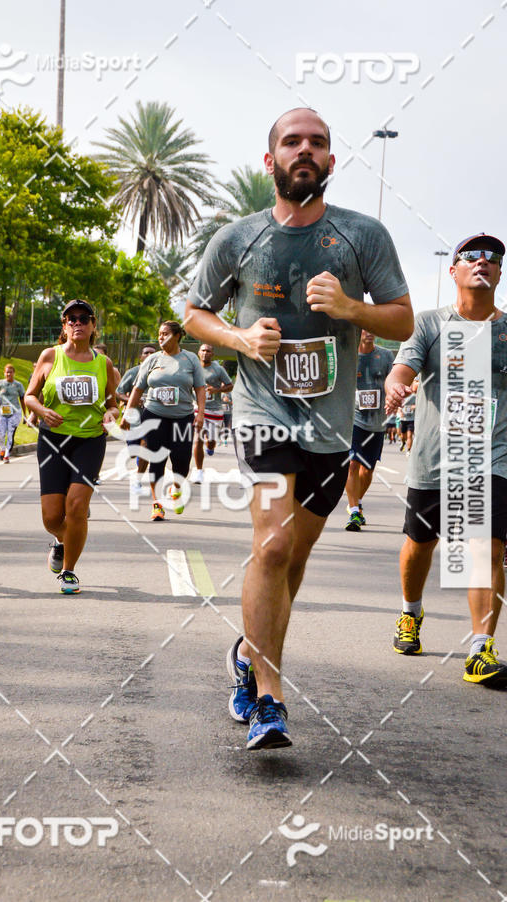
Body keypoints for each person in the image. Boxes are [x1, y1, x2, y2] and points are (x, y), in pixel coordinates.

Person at [185, 107, 412, 749]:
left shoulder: (363, 236)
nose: (304, 150)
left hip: (331, 429)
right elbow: (195, 313)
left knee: (293, 558)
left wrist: (350, 308)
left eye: (317, 143)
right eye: (291, 142)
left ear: (332, 162)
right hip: (263, 410)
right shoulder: (237, 238)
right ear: (270, 160)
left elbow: (402, 320)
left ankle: (247, 652)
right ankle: (269, 699)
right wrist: (237, 337)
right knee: (274, 544)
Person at [386, 232, 507, 687]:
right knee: (421, 544)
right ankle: (410, 613)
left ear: (499, 273)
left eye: (493, 257)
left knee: (486, 545)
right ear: (452, 269)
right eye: (471, 255)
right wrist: (395, 385)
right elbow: (404, 366)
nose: (483, 261)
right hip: (436, 458)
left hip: (492, 456)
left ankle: (480, 648)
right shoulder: (429, 323)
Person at [25, 300, 117, 593]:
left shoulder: (103, 363)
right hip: (53, 440)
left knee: (76, 507)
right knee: (52, 517)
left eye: (83, 318)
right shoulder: (49, 356)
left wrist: (111, 414)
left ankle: (68, 572)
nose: (77, 323)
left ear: (93, 326)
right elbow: (29, 396)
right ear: (64, 326)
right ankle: (62, 540)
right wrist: (41, 410)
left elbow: (113, 403)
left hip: (89, 440)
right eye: (71, 319)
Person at [121, 321, 205, 521]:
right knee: (156, 459)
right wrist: (128, 413)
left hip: (182, 418)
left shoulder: (190, 359)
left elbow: (200, 388)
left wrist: (200, 413)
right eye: (159, 334)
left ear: (177, 336)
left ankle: (177, 489)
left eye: (165, 334)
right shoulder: (152, 360)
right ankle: (157, 504)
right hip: (154, 415)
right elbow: (138, 388)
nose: (160, 337)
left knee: (181, 461)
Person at [344, 330, 394, 531]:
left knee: (368, 469)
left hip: (377, 421)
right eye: (365, 328)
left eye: (374, 328)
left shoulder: (386, 356)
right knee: (353, 463)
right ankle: (354, 511)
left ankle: (356, 502)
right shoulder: (348, 356)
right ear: (357, 331)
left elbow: (393, 380)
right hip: (353, 419)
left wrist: (393, 396)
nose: (370, 332)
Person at [115, 345, 156, 492]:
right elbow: (118, 393)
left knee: (146, 446)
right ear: (141, 356)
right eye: (146, 352)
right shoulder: (133, 373)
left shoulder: (160, 374)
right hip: (134, 419)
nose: (149, 355)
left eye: (153, 353)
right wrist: (130, 399)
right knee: (134, 451)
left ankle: (138, 480)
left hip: (152, 419)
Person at [191, 343, 233, 483]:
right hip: (197, 408)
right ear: (198, 352)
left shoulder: (218, 369)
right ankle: (198, 471)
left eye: (208, 351)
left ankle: (211, 446)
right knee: (198, 438)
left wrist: (217, 390)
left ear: (212, 354)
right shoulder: (193, 367)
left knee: (210, 442)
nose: (205, 353)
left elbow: (229, 385)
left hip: (215, 410)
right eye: (203, 350)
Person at [0, 364, 26, 462]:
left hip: (15, 413)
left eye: (10, 372)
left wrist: (25, 414)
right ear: (4, 373)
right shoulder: (0, 383)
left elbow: (23, 399)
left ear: (14, 373)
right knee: (0, 435)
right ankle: (2, 449)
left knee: (10, 434)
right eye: (7, 372)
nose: (8, 374)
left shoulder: (18, 385)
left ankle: (6, 455)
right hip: (1, 413)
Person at [398, 382, 417, 453]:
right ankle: (403, 442)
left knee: (409, 435)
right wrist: (400, 412)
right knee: (403, 436)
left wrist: (413, 407)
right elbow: (399, 406)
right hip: (403, 419)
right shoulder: (402, 395)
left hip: (411, 419)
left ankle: (409, 450)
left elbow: (418, 404)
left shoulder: (414, 396)